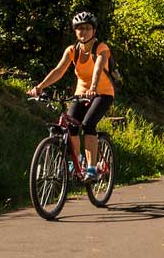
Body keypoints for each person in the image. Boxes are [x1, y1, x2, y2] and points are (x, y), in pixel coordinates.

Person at [27, 10, 114, 180]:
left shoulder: (101, 48)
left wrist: (93, 87)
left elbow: (97, 68)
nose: (84, 32)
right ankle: (78, 160)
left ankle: (91, 168)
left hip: (102, 92)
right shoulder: (72, 50)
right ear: (75, 31)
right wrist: (40, 87)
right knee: (71, 125)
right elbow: (58, 71)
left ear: (94, 31)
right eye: (80, 28)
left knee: (88, 124)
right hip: (81, 93)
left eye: (88, 28)